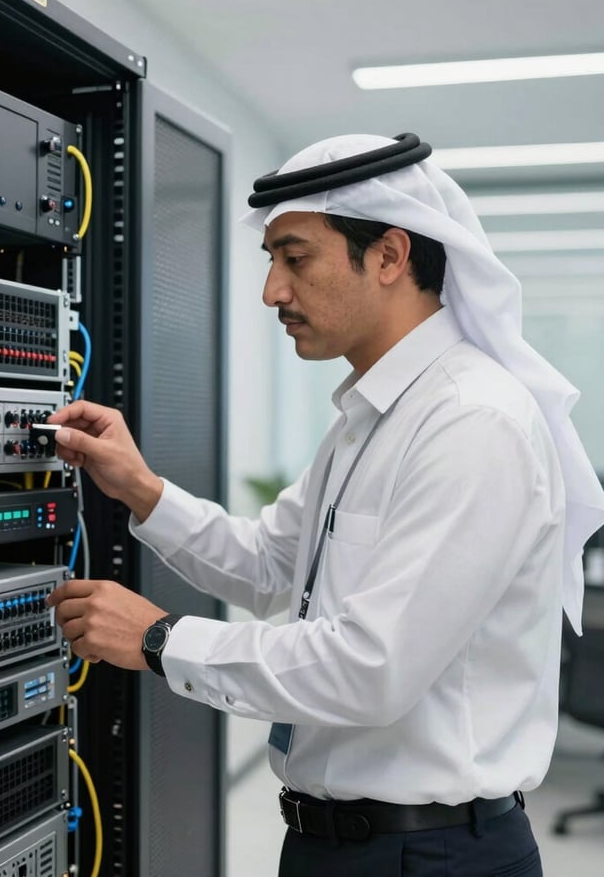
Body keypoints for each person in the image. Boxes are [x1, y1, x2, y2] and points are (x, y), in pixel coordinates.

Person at [46, 133, 604, 877]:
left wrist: (159, 637)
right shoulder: (370, 419)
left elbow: (370, 665)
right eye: (271, 260)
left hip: (430, 855)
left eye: (295, 257)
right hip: (339, 843)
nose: (273, 290)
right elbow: (272, 565)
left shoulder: (472, 421)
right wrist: (140, 487)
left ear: (389, 255)